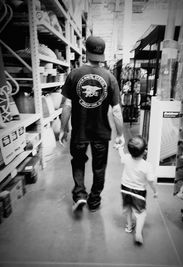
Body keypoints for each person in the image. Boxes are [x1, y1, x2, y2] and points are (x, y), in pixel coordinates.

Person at [59, 35, 125, 213]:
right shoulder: (110, 78)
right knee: (99, 167)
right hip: (101, 132)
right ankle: (94, 201)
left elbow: (67, 106)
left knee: (78, 162)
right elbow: (117, 111)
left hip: (79, 132)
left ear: (86, 52)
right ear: (102, 54)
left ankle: (80, 195)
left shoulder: (74, 74)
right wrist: (120, 134)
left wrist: (63, 128)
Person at [114, 135, 158, 245]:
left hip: (125, 189)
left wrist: (119, 147)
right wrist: (155, 191)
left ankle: (129, 227)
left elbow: (121, 155)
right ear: (145, 152)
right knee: (140, 213)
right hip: (138, 192)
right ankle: (138, 233)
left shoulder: (127, 157)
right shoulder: (147, 166)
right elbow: (151, 180)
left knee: (128, 208)